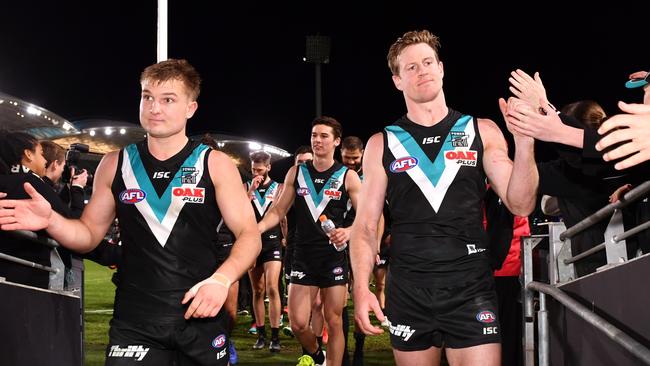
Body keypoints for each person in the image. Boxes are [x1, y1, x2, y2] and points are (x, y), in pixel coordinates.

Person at [0, 59, 261, 366]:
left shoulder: (215, 163)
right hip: (134, 323)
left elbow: (249, 234)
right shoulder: (115, 163)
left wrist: (221, 280)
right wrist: (51, 220)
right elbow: (87, 235)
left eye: (168, 100)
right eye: (147, 97)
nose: (154, 108)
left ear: (191, 108)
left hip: (200, 316)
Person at [349, 30, 537, 366]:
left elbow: (521, 203)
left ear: (441, 68)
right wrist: (361, 289)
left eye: (427, 62)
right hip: (408, 289)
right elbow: (364, 226)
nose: (421, 71)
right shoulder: (382, 143)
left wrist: (524, 143)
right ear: (397, 81)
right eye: (410, 67)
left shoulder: (482, 130)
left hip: (471, 288)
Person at [258, 116, 362, 366]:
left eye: (324, 136)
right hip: (302, 256)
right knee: (297, 323)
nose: (317, 140)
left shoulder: (348, 176)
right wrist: (255, 228)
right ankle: (317, 354)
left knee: (334, 320)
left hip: (333, 257)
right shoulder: (297, 172)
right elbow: (278, 210)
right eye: (314, 135)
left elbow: (366, 217)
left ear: (336, 141)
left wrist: (348, 231)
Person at [245, 150, 284, 352]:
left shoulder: (279, 188)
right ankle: (261, 334)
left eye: (259, 169)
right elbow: (240, 209)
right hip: (252, 244)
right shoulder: (246, 187)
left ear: (268, 167)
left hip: (272, 243)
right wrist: (251, 189)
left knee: (271, 287)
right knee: (257, 290)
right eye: (253, 170)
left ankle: (275, 336)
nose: (256, 173)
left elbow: (281, 214)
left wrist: (285, 237)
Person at [40, 140, 88, 218]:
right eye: (63, 166)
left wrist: (69, 185)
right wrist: (78, 187)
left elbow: (59, 206)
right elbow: (74, 220)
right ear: (55, 164)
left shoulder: (38, 183)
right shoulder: (43, 188)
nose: (63, 170)